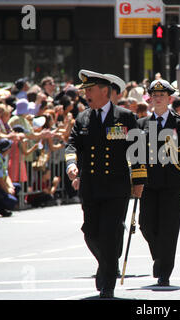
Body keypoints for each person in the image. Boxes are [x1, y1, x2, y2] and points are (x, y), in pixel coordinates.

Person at [65, 69, 146, 299]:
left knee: (110, 233)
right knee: (90, 232)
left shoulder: (125, 117)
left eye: (90, 90)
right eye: (85, 91)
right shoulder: (83, 118)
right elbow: (71, 146)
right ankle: (108, 261)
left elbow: (138, 151)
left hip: (116, 187)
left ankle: (107, 281)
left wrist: (138, 180)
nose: (86, 95)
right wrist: (72, 165)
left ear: (105, 91)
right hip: (90, 185)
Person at [137, 79, 180, 286]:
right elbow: (136, 156)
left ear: (169, 99)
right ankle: (159, 256)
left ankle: (165, 272)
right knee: (146, 225)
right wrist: (136, 181)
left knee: (169, 229)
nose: (158, 99)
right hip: (149, 184)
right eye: (154, 96)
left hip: (173, 183)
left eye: (162, 96)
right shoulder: (142, 124)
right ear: (150, 99)